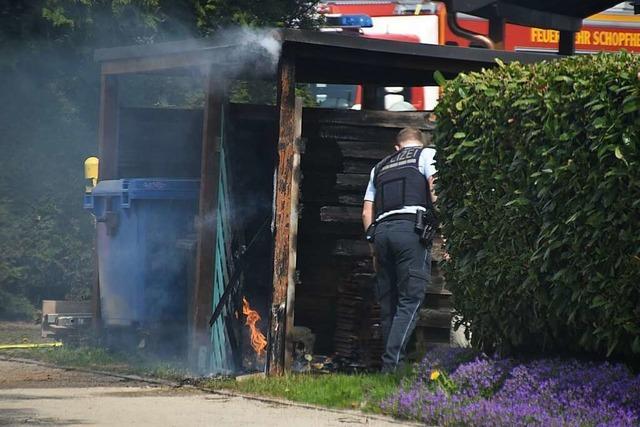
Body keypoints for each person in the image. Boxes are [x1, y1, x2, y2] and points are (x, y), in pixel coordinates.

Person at [362, 127, 437, 373]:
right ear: (419, 142)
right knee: (410, 300)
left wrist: (373, 247)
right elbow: (435, 191)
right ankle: (391, 367)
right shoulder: (426, 155)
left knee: (389, 303)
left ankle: (393, 368)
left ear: (397, 147)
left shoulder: (379, 167)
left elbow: (366, 212)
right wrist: (444, 229)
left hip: (381, 233)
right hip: (411, 232)